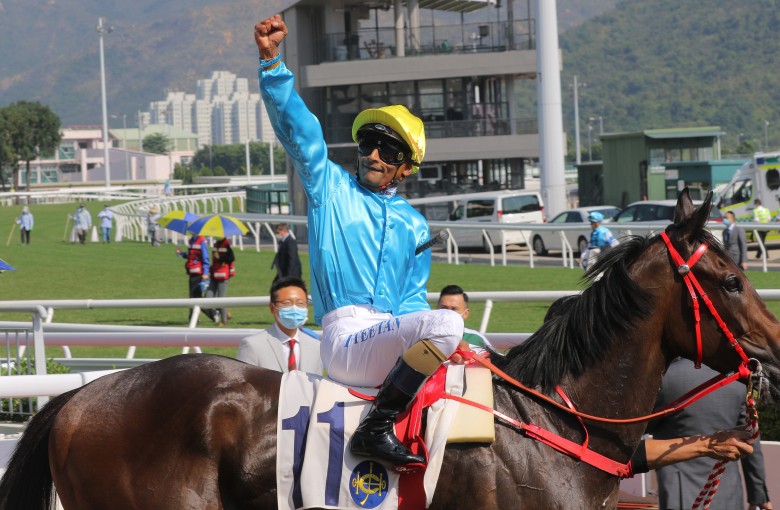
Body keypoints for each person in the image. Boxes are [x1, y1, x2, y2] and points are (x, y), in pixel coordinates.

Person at [256, 15, 464, 469]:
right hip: (347, 339)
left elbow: (411, 301)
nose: (373, 154)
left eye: (387, 150)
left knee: (468, 352)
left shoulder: (415, 226)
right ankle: (374, 430)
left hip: (389, 337)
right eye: (368, 142)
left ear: (405, 167)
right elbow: (301, 132)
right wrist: (273, 65)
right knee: (449, 324)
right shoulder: (329, 186)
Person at [632, 358, 771, 510]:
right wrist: (759, 497)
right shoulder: (737, 380)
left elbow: (640, 427)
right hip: (727, 491)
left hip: (679, 493)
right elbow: (750, 440)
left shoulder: (667, 376)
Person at [236, 276, 322, 374]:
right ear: (272, 307)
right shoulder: (253, 346)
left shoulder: (316, 346)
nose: (294, 308)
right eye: (287, 303)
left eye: (300, 303)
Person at [437, 284, 491, 351]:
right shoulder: (425, 335)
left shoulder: (477, 339)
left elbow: (494, 360)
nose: (448, 313)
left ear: (466, 314)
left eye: (454, 309)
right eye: (444, 308)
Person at [175, 233, 215, 322]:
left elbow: (205, 258)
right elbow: (191, 256)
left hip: (199, 273)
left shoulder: (202, 241)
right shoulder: (191, 240)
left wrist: (205, 273)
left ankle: (213, 315)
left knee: (194, 297)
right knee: (194, 297)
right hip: (192, 272)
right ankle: (210, 315)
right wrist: (181, 254)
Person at [206, 237, 235, 326]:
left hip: (223, 275)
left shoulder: (226, 245)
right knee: (208, 297)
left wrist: (220, 258)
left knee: (221, 298)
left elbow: (231, 258)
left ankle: (223, 320)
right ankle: (225, 313)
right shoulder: (215, 244)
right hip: (214, 274)